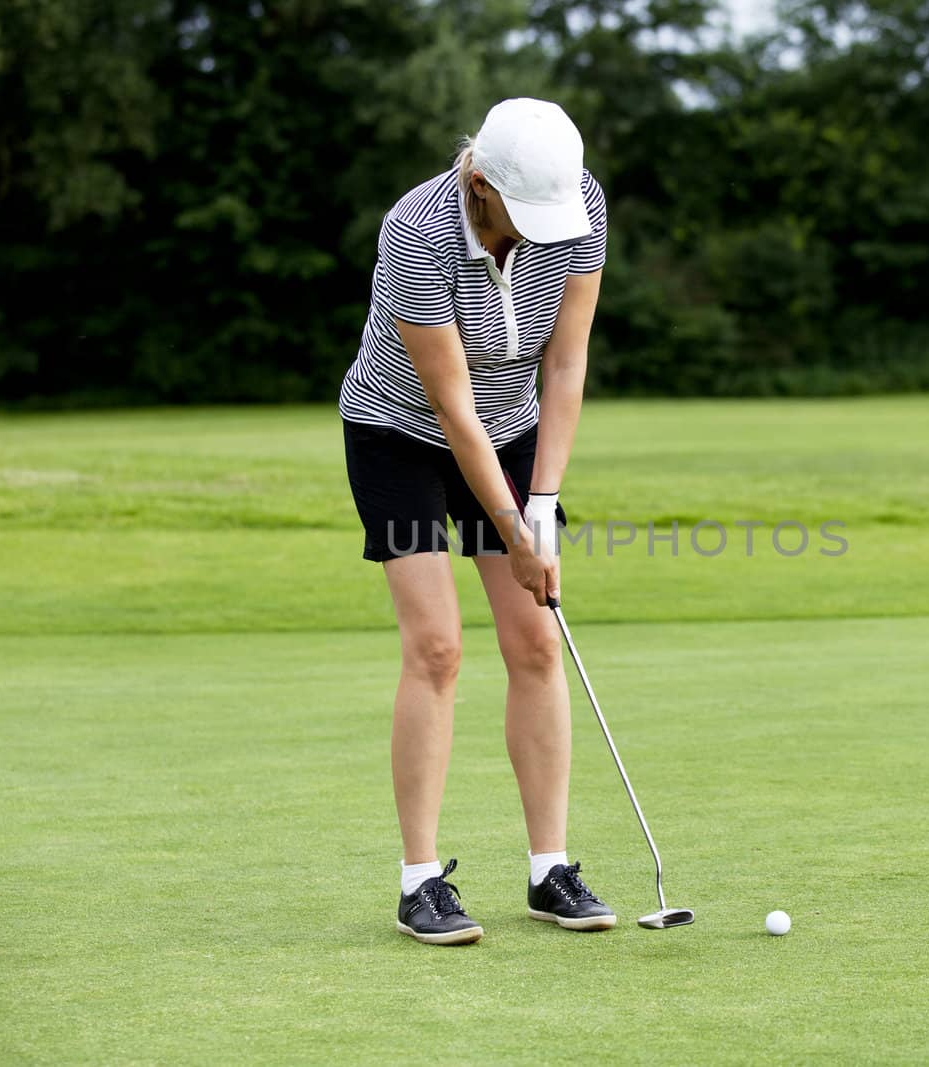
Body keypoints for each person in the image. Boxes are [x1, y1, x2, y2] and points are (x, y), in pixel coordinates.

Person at [338, 98, 611, 945]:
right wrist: (511, 524)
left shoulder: (578, 201)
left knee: (536, 640)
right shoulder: (416, 231)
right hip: (401, 433)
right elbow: (452, 408)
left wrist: (538, 510)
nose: (539, 236)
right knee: (438, 646)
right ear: (480, 183)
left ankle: (549, 869)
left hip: (517, 427)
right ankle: (420, 881)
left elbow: (565, 363)